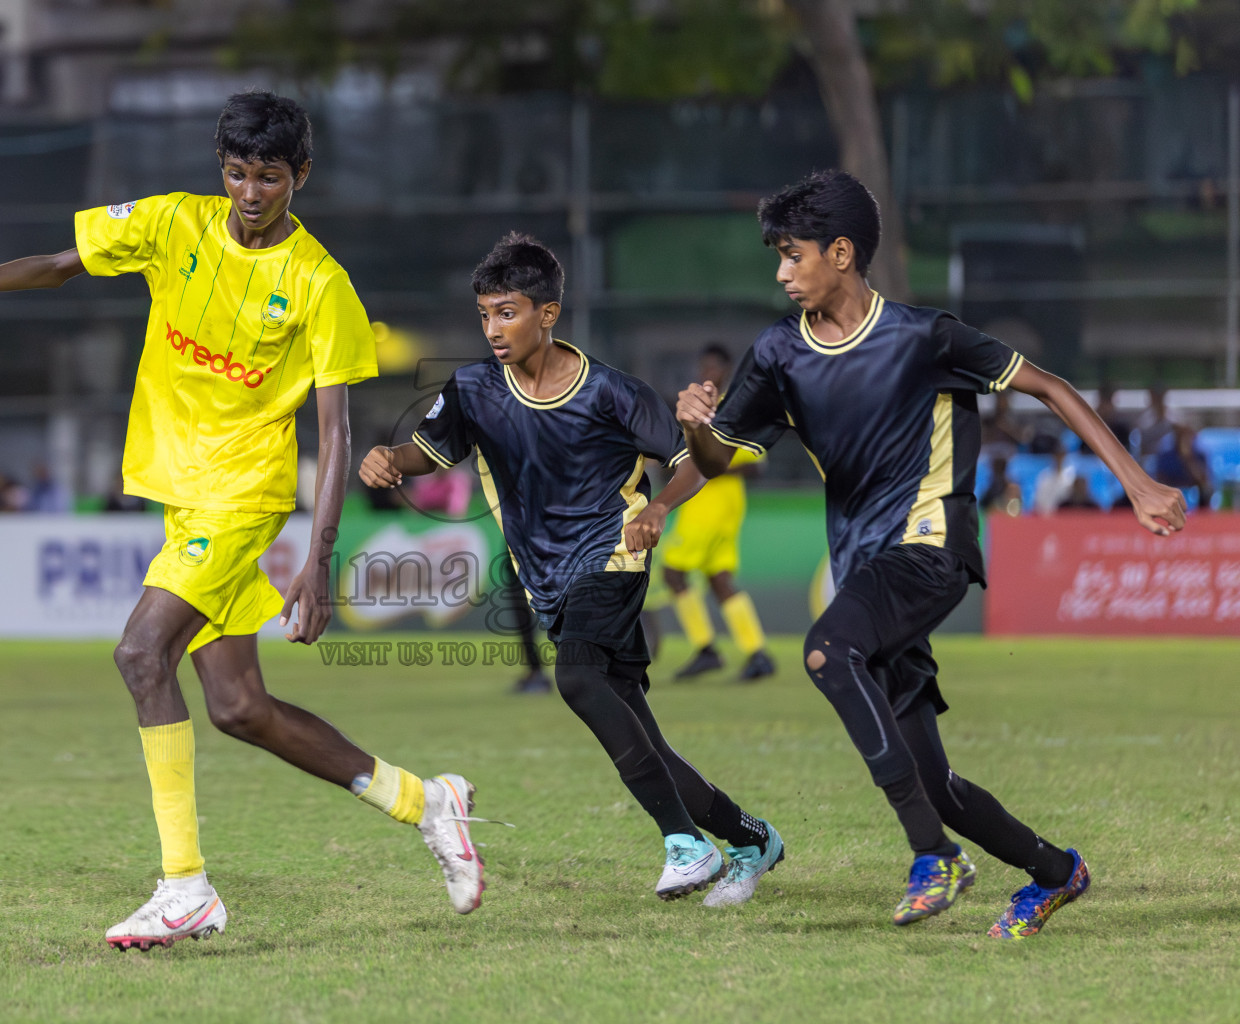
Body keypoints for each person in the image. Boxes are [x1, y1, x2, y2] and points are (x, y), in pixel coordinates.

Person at [0, 91, 484, 948]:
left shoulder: (319, 284)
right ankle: (428, 802)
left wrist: (319, 562)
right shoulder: (172, 225)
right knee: (240, 707)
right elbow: (63, 263)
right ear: (222, 171)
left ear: (300, 177)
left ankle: (185, 888)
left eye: (269, 177)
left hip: (244, 496)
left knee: (140, 653)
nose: (250, 193)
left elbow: (336, 429)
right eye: (237, 173)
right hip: (184, 496)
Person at [677, 170, 1186, 938]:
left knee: (825, 651)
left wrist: (1139, 482)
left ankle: (932, 857)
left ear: (840, 252)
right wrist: (677, 458)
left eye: (792, 254)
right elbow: (716, 458)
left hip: (932, 549)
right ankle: (1057, 872)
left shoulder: (925, 336)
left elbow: (1050, 387)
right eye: (776, 257)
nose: (780, 272)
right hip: (865, 571)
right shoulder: (780, 352)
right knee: (933, 780)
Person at [361, 233, 784, 905]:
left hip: (614, 555)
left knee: (579, 677)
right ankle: (751, 837)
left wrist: (660, 509)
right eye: (485, 315)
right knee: (642, 738)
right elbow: (428, 452)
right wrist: (390, 460)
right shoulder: (472, 388)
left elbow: (696, 460)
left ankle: (685, 843)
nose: (494, 329)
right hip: (547, 579)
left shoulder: (613, 393)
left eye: (508, 312)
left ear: (548, 314)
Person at [658, 344, 776, 683]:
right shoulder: (700, 409)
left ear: (727, 371)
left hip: (712, 505)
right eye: (703, 366)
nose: (707, 373)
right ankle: (757, 653)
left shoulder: (731, 409)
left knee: (673, 572)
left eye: (714, 367)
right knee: (719, 579)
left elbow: (756, 467)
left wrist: (707, 467)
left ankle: (706, 650)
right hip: (712, 504)